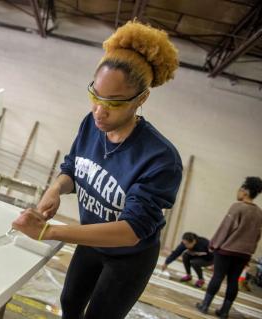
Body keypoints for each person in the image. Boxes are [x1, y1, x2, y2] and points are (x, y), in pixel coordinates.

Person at [12, 21, 182, 319]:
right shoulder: (91, 124)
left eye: (113, 103)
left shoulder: (160, 158)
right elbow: (72, 168)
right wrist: (56, 188)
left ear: (141, 99)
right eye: (95, 95)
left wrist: (49, 231)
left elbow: (131, 232)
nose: (99, 111)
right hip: (92, 239)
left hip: (129, 257)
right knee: (71, 302)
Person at [196, 177, 262, 318]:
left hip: (227, 250)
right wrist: (249, 253)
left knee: (218, 277)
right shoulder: (259, 213)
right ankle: (224, 312)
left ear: (245, 191)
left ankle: (205, 305)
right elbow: (257, 235)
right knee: (233, 280)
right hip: (244, 253)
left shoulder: (237, 207)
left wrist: (213, 244)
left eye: (240, 189)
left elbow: (225, 229)